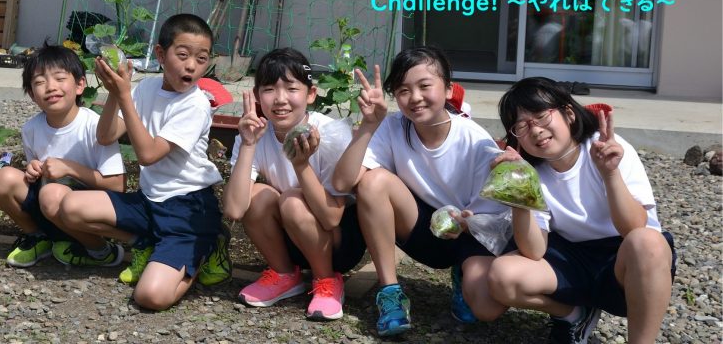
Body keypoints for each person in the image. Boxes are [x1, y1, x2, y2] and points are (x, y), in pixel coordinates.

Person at [54, 14, 230, 310]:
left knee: (150, 297)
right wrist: (114, 94)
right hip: (149, 201)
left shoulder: (196, 104)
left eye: (201, 58)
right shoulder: (147, 88)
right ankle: (147, 243)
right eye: (183, 55)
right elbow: (106, 135)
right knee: (70, 208)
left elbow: (147, 154)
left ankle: (206, 247)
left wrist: (124, 95)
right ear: (161, 54)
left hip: (187, 210)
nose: (191, 65)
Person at [331, 46, 511, 336]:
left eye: (425, 86)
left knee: (482, 311)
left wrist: (467, 224)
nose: (415, 97)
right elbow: (342, 183)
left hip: (470, 235)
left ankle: (463, 274)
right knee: (372, 181)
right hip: (423, 230)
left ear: (449, 89)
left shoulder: (475, 141)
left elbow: (498, 219)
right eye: (403, 90)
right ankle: (390, 292)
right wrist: (368, 124)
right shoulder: (392, 127)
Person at [487, 77, 676, 344]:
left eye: (541, 116)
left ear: (569, 113)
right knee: (502, 275)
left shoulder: (606, 148)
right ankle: (574, 315)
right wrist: (518, 192)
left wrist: (610, 173)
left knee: (647, 242)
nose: (536, 130)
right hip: (573, 258)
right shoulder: (533, 172)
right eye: (521, 126)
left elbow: (634, 228)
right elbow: (534, 251)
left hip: (624, 261)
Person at [223, 48, 365, 321]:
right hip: (293, 239)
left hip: (336, 243)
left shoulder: (330, 133)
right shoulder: (253, 133)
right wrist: (249, 145)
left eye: (291, 88)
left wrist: (301, 165)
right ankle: (284, 274)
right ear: (256, 96)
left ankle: (327, 281)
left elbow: (332, 217)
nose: (280, 100)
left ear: (311, 94)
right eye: (268, 89)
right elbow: (234, 209)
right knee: (259, 194)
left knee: (291, 200)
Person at [0, 44, 125, 268]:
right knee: (2, 179)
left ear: (80, 84)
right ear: (32, 95)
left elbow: (117, 185)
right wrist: (32, 170)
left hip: (88, 212)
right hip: (49, 205)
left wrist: (70, 168)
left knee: (52, 193)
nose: (51, 87)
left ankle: (100, 249)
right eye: (40, 82)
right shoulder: (31, 129)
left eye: (60, 78)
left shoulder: (96, 126)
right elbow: (36, 176)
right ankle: (40, 238)